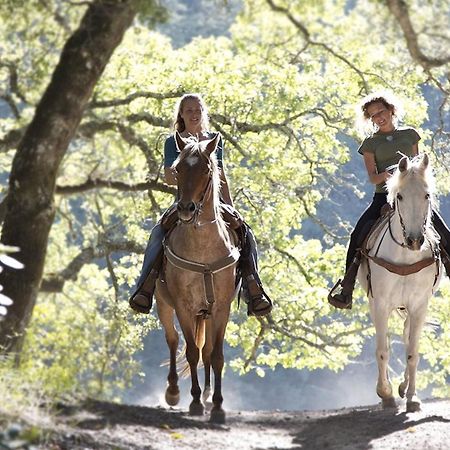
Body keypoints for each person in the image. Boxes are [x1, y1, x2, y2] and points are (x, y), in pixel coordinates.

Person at [129, 93, 273, 316]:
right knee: (158, 232)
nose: (194, 114)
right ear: (181, 114)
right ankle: (145, 286)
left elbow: (221, 175)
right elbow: (169, 178)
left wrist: (231, 206)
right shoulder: (173, 142)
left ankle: (253, 287)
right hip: (185, 201)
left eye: (198, 110)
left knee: (246, 233)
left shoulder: (214, 139)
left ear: (203, 113)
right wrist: (188, 173)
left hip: (213, 202)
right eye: (189, 110)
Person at [328, 91, 450, 309]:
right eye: (373, 115)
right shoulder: (370, 144)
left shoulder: (410, 135)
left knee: (444, 232)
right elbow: (372, 177)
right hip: (383, 196)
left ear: (391, 110)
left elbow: (418, 168)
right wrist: (389, 174)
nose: (378, 117)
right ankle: (346, 288)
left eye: (381, 112)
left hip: (411, 196)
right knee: (358, 235)